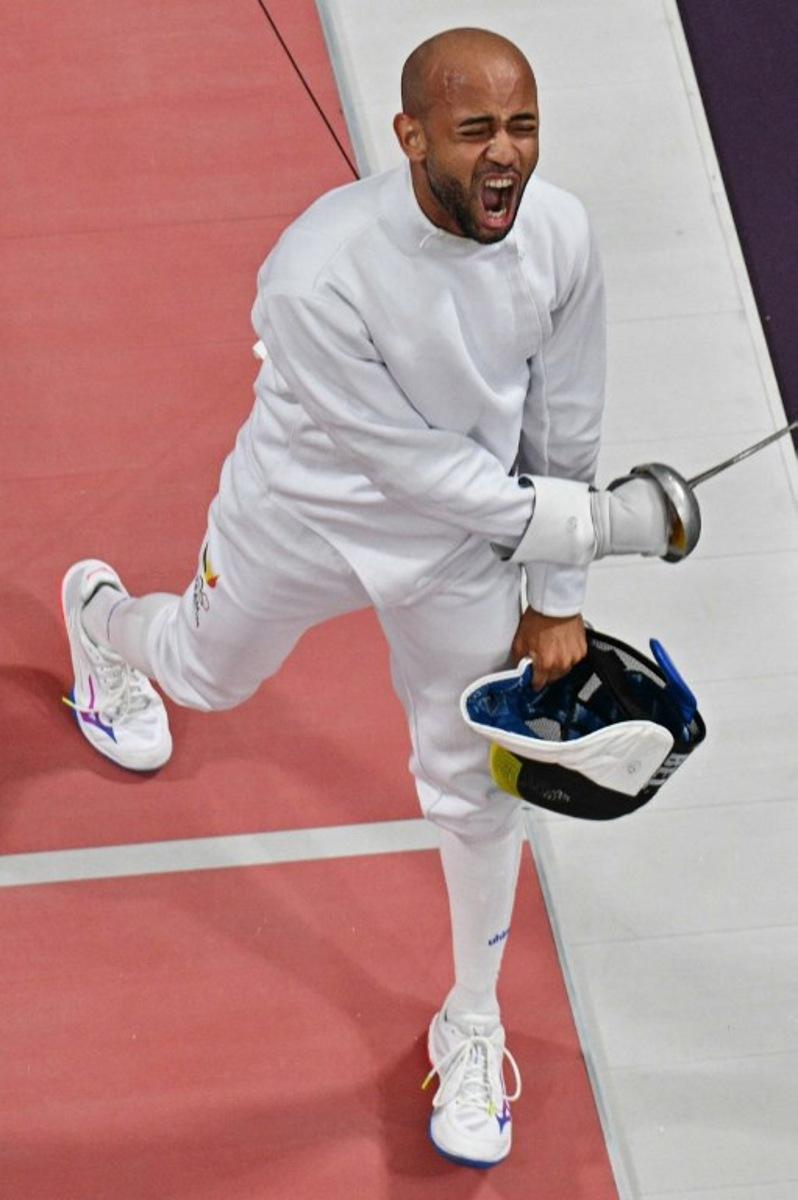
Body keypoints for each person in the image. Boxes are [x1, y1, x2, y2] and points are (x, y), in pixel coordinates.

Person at [61, 27, 671, 1168]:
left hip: (462, 553)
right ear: (410, 136)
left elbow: (566, 422)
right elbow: (416, 468)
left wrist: (560, 592)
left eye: (523, 126)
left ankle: (473, 1020)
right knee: (200, 673)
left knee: (473, 784)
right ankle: (100, 621)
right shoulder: (315, 271)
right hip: (305, 518)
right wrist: (620, 524)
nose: (506, 157)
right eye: (476, 129)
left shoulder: (562, 238)